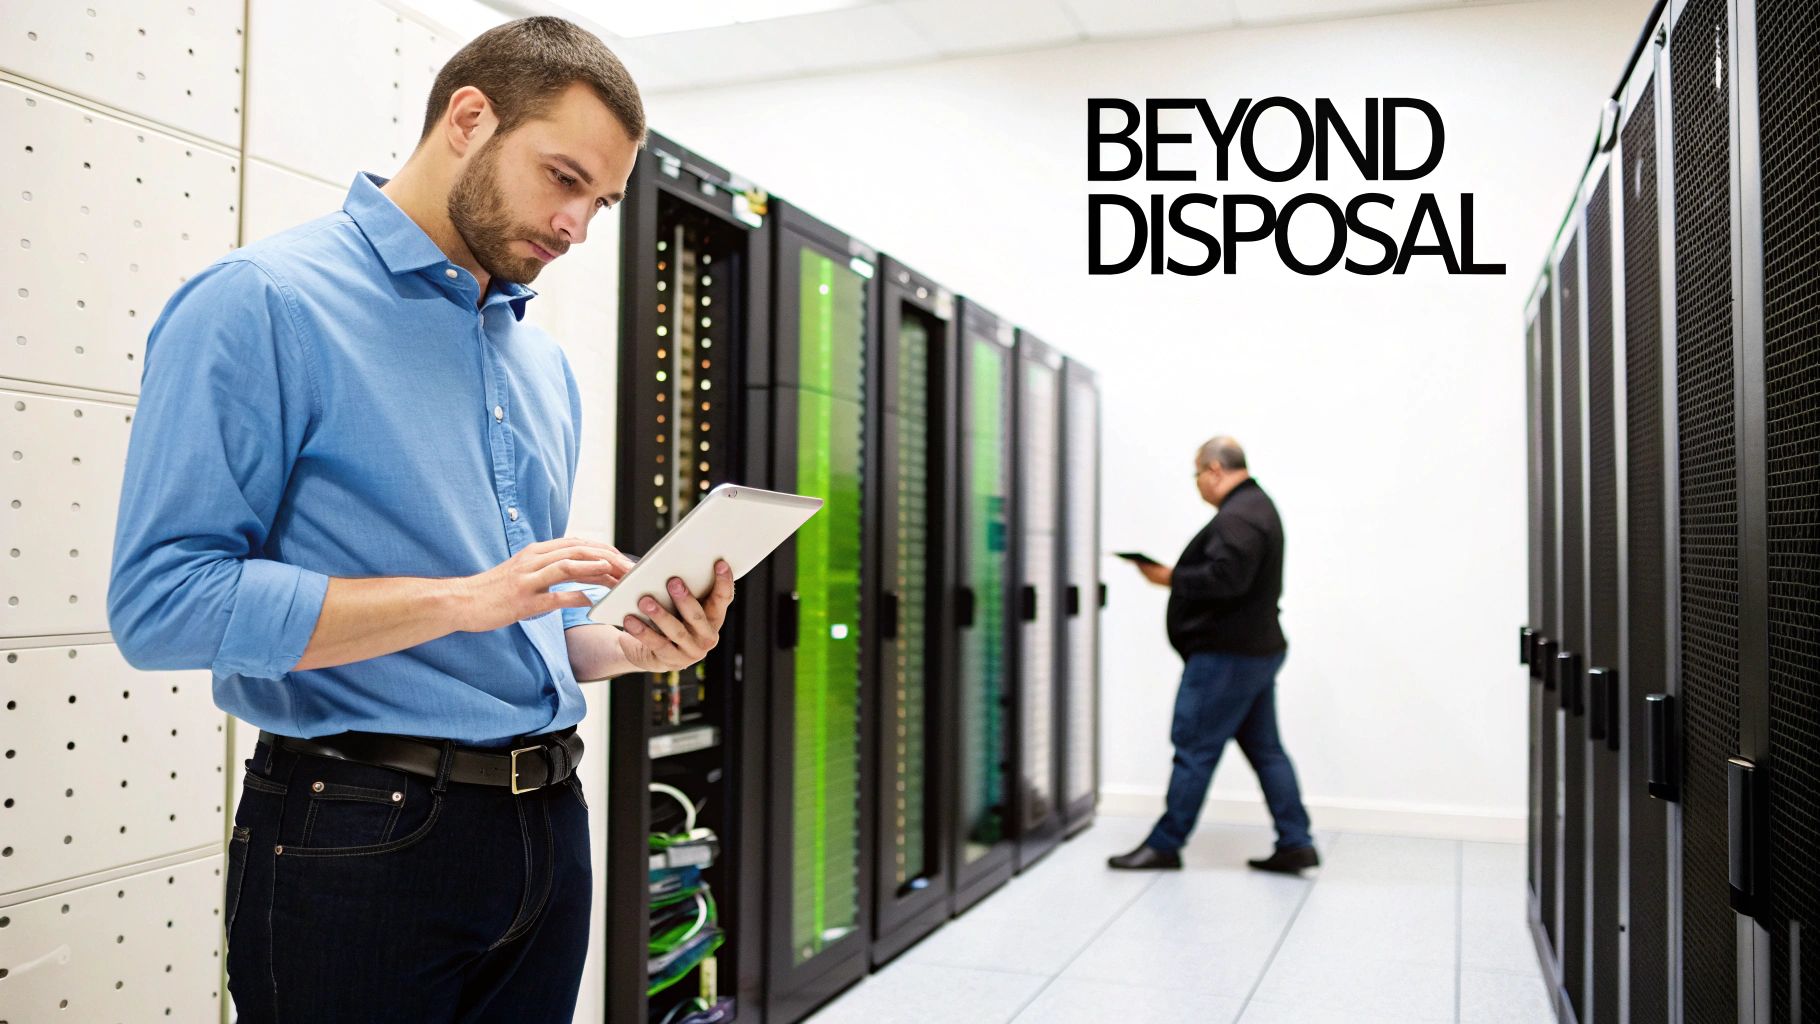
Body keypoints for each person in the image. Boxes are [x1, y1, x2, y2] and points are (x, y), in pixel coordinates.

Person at [104, 18, 710, 1021]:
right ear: (468, 118)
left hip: (546, 827)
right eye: (563, 179)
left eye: (598, 202)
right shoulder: (261, 303)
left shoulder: (539, 364)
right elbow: (162, 603)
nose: (576, 227)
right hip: (359, 832)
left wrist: (625, 645)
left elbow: (510, 627)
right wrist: (462, 599)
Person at [1108, 437, 1318, 874]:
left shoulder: (1238, 517)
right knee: (1266, 750)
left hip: (1228, 657)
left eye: (1197, 475)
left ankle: (1165, 844)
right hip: (1256, 651)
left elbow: (1226, 580)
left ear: (1214, 469)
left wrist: (1170, 578)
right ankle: (1296, 841)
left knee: (1193, 749)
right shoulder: (1257, 507)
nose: (1198, 485)